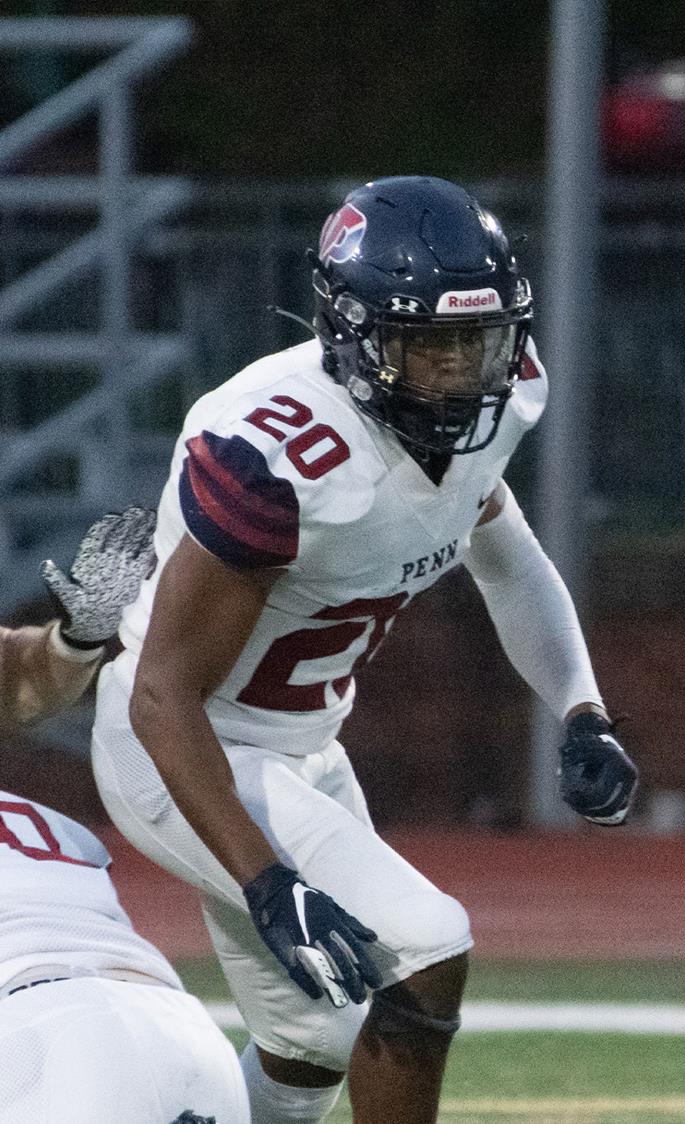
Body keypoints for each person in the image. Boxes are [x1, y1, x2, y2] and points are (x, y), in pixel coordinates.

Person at [90, 176, 639, 1124]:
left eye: (477, 339)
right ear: (350, 334)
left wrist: (582, 708)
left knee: (310, 1052)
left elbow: (508, 561)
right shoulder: (272, 455)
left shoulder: (498, 403)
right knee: (428, 946)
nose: (461, 370)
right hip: (185, 748)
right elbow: (160, 698)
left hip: (302, 745)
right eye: (427, 345)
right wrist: (266, 881)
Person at [1, 507, 248, 1123]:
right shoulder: (47, 825)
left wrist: (73, 641)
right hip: (191, 1042)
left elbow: (17, 677)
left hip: (41, 1054)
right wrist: (78, 637)